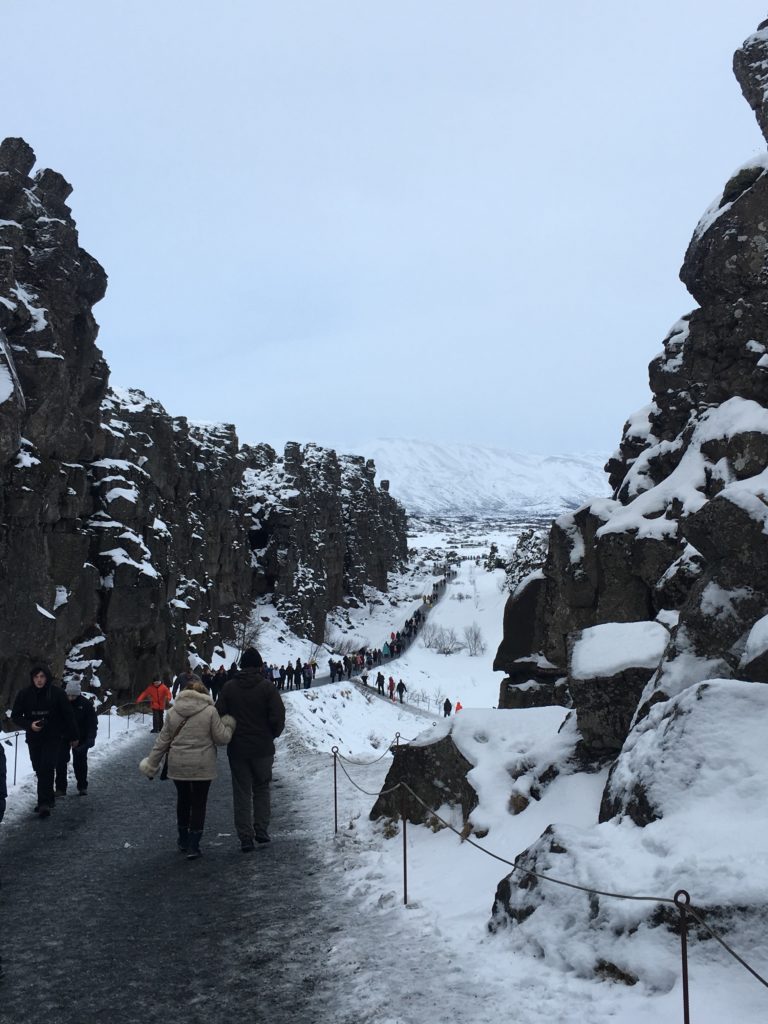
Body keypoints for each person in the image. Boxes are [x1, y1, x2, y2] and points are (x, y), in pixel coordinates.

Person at [139, 679, 235, 859]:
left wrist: (152, 764)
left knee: (183, 800)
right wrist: (228, 725)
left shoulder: (173, 712)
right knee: (199, 803)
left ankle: (182, 839)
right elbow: (221, 738)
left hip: (178, 764)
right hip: (202, 764)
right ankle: (194, 844)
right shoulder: (210, 711)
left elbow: (162, 741)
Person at [216, 648, 285, 853]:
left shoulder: (229, 688)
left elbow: (217, 714)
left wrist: (229, 730)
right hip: (263, 747)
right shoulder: (267, 688)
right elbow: (278, 717)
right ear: (259, 665)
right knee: (262, 788)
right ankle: (261, 829)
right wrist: (271, 735)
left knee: (242, 792)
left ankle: (245, 837)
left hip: (237, 749)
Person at [11, 665, 78, 817]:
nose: (39, 680)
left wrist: (74, 736)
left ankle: (44, 803)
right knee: (39, 768)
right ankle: (48, 798)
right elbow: (15, 716)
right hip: (34, 738)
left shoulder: (57, 693)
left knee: (47, 767)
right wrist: (30, 725)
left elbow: (68, 715)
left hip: (53, 737)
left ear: (47, 678)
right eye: (36, 677)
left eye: (42, 677)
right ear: (32, 678)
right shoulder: (24, 694)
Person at [55, 681, 98, 796]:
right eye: (68, 695)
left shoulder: (86, 704)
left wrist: (91, 737)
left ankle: (82, 785)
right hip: (63, 736)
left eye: (73, 695)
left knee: (80, 762)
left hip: (81, 737)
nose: (70, 698)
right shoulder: (61, 703)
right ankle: (60, 788)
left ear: (78, 694)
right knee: (60, 761)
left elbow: (92, 723)